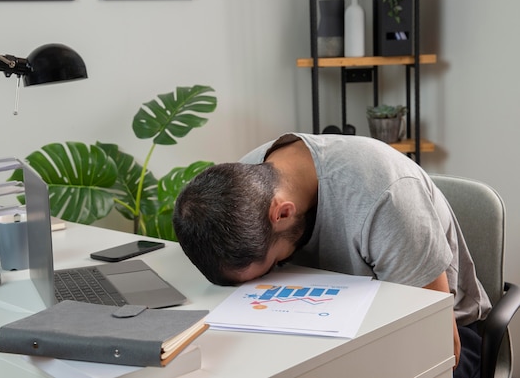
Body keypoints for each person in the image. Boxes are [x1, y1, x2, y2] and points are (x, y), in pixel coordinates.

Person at [173, 133, 491, 378]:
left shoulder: (386, 196)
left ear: (282, 213)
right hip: (324, 336)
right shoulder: (246, 182)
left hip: (446, 338)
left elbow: (435, 344)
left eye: (272, 265)